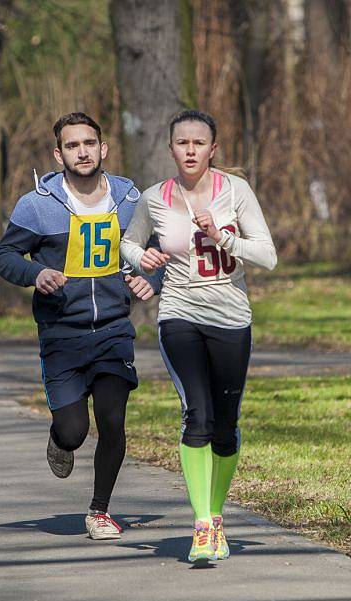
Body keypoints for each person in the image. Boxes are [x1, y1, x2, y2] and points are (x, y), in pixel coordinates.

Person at [0, 112, 162, 541]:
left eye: (89, 143)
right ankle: (59, 439)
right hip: (61, 334)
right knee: (74, 432)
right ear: (58, 153)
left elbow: (157, 248)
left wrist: (150, 276)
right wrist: (35, 275)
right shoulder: (38, 203)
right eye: (72, 145)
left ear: (103, 148)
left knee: (112, 420)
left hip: (112, 330)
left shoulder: (129, 199)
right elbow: (4, 256)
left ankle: (99, 510)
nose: (82, 152)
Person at [121, 110, 277, 563]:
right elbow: (127, 242)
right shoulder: (155, 198)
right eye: (182, 143)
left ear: (213, 149)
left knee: (225, 428)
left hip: (230, 317)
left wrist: (223, 238)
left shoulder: (236, 192)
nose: (190, 150)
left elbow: (267, 255)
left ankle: (216, 513)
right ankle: (203, 524)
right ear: (171, 149)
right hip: (178, 315)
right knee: (198, 416)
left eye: (198, 143)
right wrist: (143, 257)